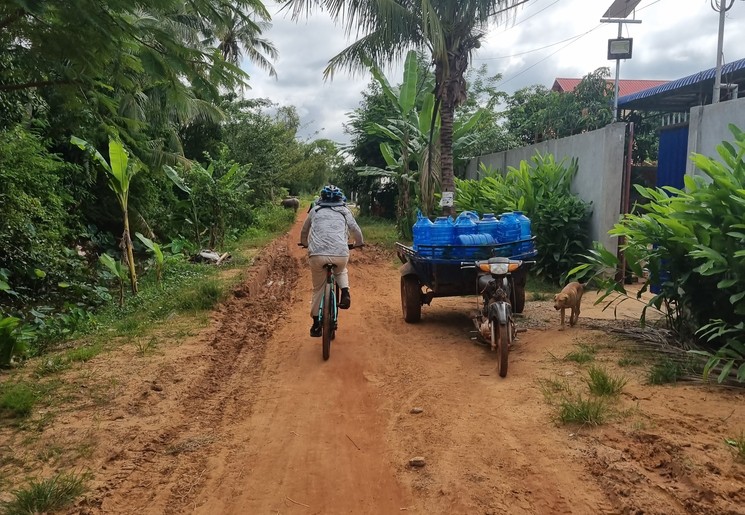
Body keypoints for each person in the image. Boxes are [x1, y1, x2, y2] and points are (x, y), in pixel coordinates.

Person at [300, 185, 364, 337]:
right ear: (340, 199)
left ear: (321, 198)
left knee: (318, 289)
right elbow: (355, 229)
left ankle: (316, 324)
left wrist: (305, 243)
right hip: (340, 254)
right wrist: (359, 243)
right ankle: (346, 292)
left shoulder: (315, 210)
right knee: (341, 270)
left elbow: (304, 230)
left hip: (317, 254)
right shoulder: (345, 210)